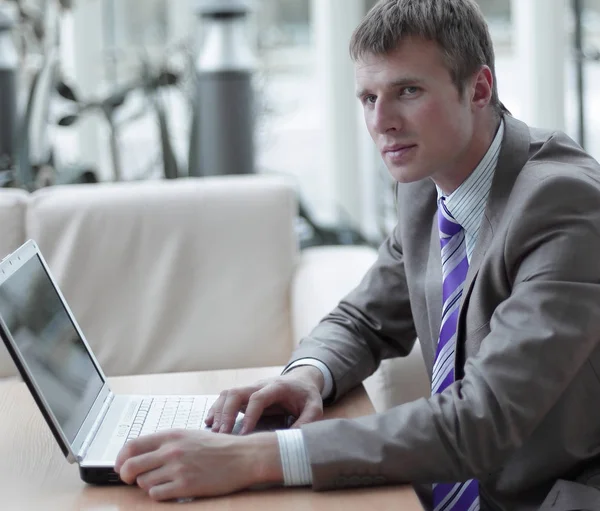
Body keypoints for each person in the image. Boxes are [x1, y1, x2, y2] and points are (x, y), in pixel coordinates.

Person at [114, 0, 600, 509]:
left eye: (407, 91)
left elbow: (485, 418)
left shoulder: (563, 204)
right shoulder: (427, 182)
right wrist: (306, 375)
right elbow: (366, 317)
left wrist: (257, 457)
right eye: (368, 97)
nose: (382, 121)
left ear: (478, 88)